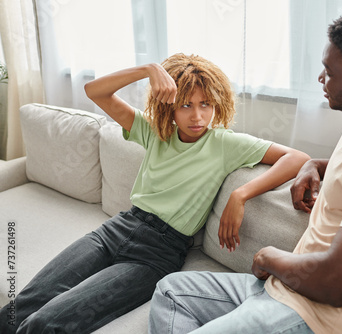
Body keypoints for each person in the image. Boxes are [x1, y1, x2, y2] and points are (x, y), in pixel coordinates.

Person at [148, 8, 342, 334]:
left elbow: (340, 283)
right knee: (171, 291)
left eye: (329, 72)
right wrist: (313, 164)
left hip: (321, 318)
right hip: (284, 292)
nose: (320, 79)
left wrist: (268, 258)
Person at [0, 54, 310, 333]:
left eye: (206, 104)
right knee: (21, 306)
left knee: (45, 323)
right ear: (170, 106)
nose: (198, 116)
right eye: (186, 105)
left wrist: (240, 194)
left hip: (156, 254)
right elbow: (95, 91)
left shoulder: (224, 144)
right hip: (115, 230)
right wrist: (150, 69)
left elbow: (297, 158)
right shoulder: (155, 132)